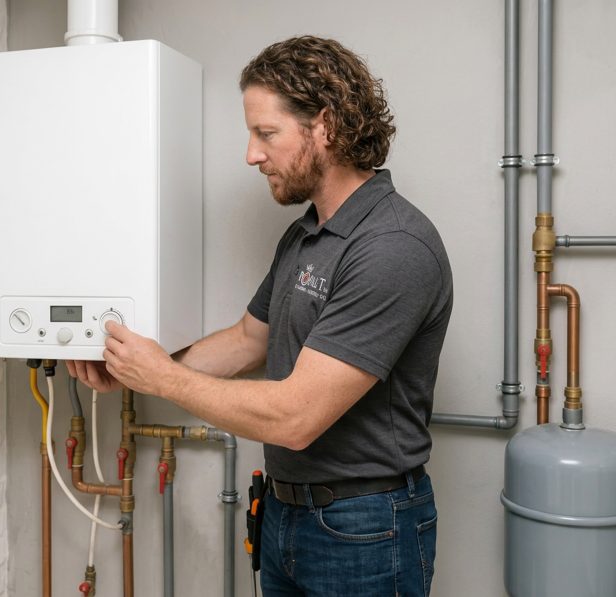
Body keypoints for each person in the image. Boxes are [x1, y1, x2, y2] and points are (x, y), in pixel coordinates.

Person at [67, 35, 452, 597]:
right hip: (286, 512)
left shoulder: (391, 245)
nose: (251, 154)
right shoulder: (306, 235)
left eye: (266, 134)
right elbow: (249, 340)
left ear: (326, 126)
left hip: (365, 528)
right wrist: (131, 364)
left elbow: (297, 416)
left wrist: (164, 378)